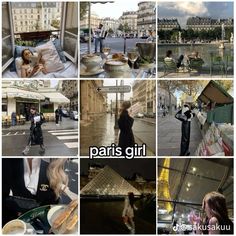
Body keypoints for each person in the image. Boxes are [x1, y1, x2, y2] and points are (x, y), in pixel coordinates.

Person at [2, 158, 77, 225]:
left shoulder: (57, 160)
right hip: (20, 215)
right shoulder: (7, 160)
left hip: (49, 216)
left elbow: (56, 188)